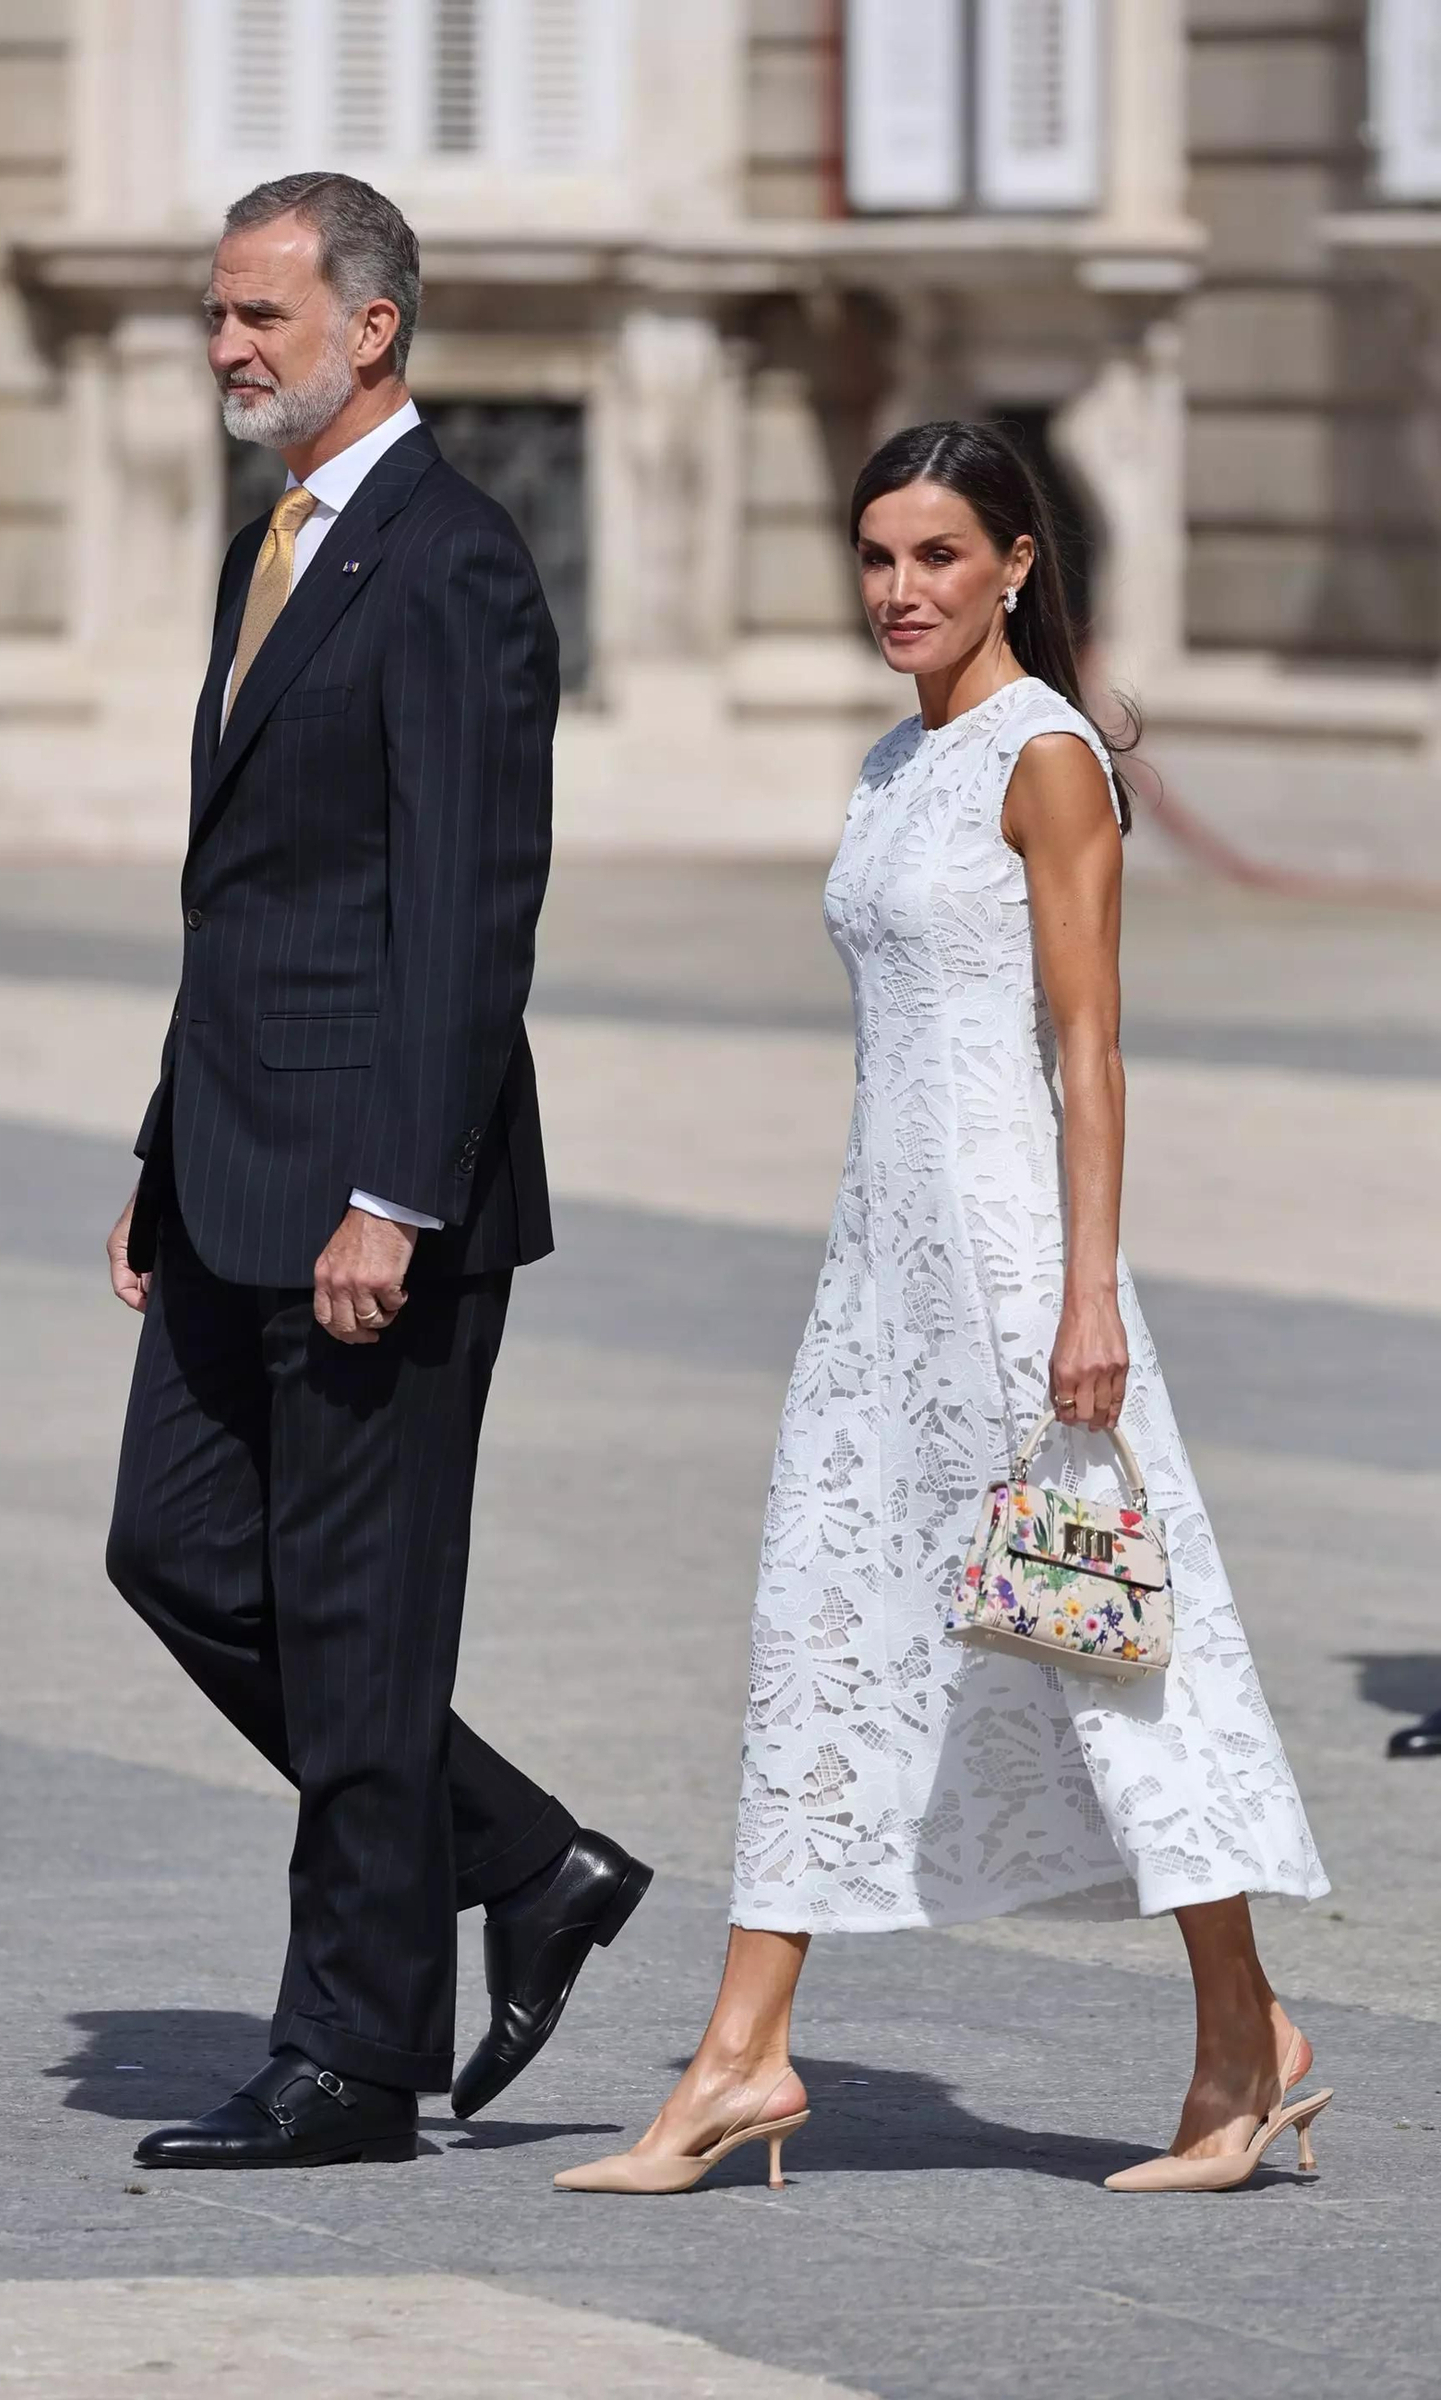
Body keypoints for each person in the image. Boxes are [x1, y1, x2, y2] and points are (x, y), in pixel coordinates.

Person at [555, 422, 1331, 2201]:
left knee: (1097, 1647)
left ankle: (1247, 2040)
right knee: (822, 1635)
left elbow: (1089, 1044)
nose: (901, 591)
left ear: (1015, 565)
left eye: (937, 557)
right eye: (877, 557)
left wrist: (1083, 1295)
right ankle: (741, 2060)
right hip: (878, 1275)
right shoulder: (896, 763)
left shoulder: (1046, 759)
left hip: (1007, 1273)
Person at [104, 172, 649, 2172]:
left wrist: (396, 1197)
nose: (231, 345)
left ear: (372, 328)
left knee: (355, 1628)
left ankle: (348, 2057)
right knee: (169, 1550)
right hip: (232, 1164)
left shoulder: (451, 560)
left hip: (371, 1201)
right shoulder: (275, 542)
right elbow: (245, 898)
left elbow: (463, 911)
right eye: (220, 315)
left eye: (262, 314)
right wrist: (163, 1155)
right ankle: (521, 1854)